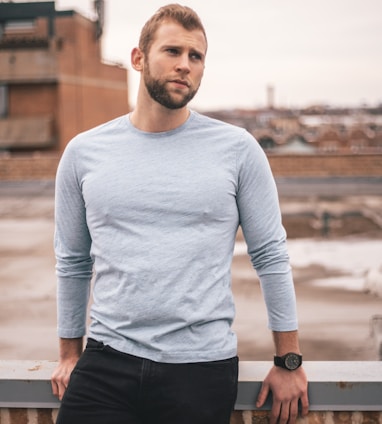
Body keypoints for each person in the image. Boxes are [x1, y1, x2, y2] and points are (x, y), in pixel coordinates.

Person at [51, 4, 309, 424]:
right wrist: (68, 354)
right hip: (106, 361)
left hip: (200, 369)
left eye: (196, 56)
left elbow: (271, 256)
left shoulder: (238, 150)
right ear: (138, 58)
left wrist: (289, 361)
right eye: (172, 51)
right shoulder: (83, 153)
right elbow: (73, 260)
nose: (184, 65)